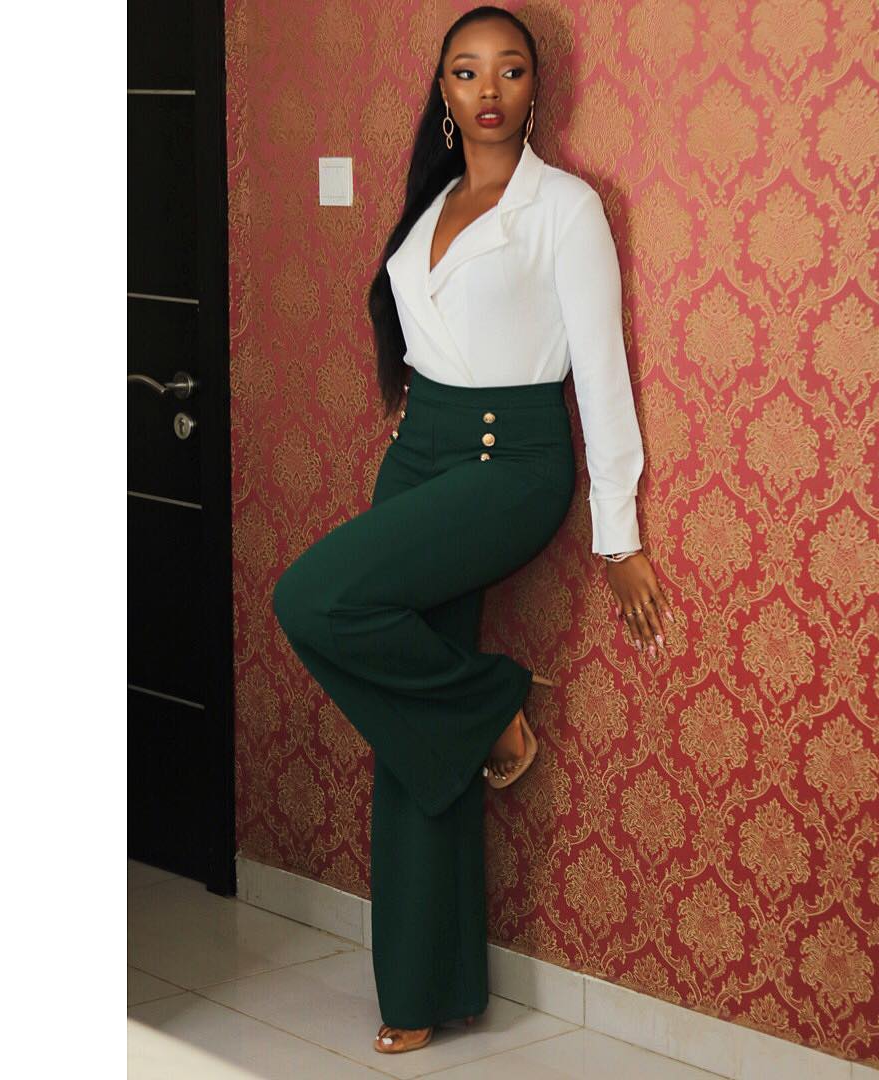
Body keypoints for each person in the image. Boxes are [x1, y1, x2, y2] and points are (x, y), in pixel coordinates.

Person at [272, 3, 674, 1056]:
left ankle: (496, 708)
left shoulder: (567, 208)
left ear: (536, 89)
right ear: (443, 91)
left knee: (310, 599)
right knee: (414, 723)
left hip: (510, 466)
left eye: (508, 70)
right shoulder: (432, 199)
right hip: (421, 457)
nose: (487, 89)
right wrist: (418, 402)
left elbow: (601, 369)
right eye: (465, 71)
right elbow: (428, 326)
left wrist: (618, 533)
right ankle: (421, 989)